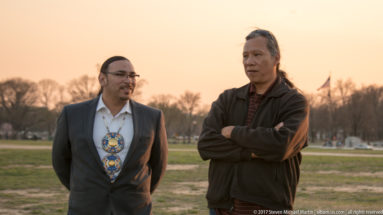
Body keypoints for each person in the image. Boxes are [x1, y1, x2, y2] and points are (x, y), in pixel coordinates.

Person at [198, 29, 309, 214]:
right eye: (245, 56)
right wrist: (255, 151)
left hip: (268, 206)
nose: (249, 62)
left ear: (276, 58)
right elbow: (206, 144)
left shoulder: (293, 101)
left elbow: (282, 145)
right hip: (222, 206)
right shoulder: (227, 99)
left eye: (257, 54)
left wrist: (233, 132)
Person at [52, 56, 168, 215]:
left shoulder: (152, 117)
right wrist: (85, 190)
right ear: (102, 79)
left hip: (134, 208)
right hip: (86, 207)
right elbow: (60, 161)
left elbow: (158, 164)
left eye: (132, 76)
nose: (128, 80)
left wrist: (136, 193)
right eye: (120, 74)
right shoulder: (72, 114)